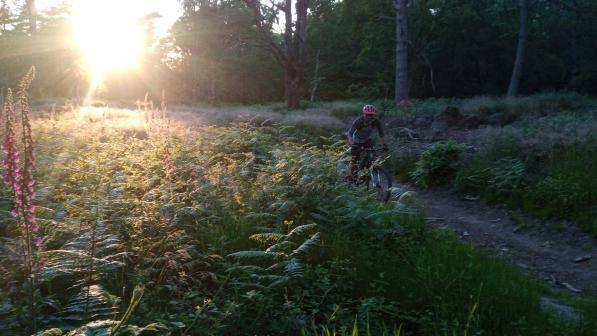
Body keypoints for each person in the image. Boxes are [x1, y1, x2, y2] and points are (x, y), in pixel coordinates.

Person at [346, 104, 388, 181]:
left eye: (371, 115)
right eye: (367, 115)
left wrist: (384, 144)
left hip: (366, 140)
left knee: (373, 156)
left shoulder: (375, 121)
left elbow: (381, 133)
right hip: (356, 141)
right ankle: (349, 176)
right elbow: (349, 133)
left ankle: (370, 168)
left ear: (373, 115)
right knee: (354, 160)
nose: (369, 116)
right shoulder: (359, 121)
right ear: (364, 114)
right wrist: (352, 144)